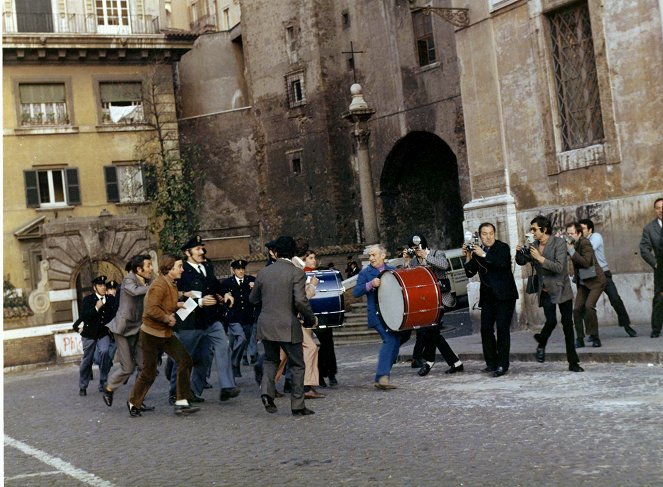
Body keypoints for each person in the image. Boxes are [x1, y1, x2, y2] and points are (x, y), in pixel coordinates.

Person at [249, 235, 317, 416]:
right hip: (288, 324)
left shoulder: (264, 272)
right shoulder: (296, 272)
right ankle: (297, 404)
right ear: (293, 252)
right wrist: (310, 319)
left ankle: (266, 393)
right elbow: (301, 301)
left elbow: (253, 299)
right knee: (297, 364)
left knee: (271, 360)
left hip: (266, 324)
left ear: (276, 252)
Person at [169, 235, 239, 404]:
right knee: (186, 358)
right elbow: (174, 296)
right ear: (188, 252)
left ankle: (226, 387)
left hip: (210, 319)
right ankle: (175, 392)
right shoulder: (181, 270)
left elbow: (215, 285)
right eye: (197, 249)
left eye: (202, 248)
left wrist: (225, 294)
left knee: (221, 347)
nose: (202, 251)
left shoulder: (207, 266)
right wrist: (199, 302)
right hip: (190, 322)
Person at [127, 254, 199, 416]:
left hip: (165, 333)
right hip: (151, 335)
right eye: (179, 267)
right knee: (149, 372)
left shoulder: (171, 283)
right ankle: (133, 402)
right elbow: (151, 309)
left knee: (185, 361)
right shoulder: (159, 285)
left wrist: (179, 304)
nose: (182, 269)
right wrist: (167, 317)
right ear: (170, 269)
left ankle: (181, 402)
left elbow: (167, 303)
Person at [516, 216, 583, 372]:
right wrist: (519, 253)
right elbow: (522, 261)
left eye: (534, 229)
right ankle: (541, 342)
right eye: (531, 229)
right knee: (551, 321)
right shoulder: (533, 244)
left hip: (561, 288)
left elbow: (559, 267)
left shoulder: (559, 243)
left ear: (544, 229)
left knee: (567, 326)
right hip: (545, 291)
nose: (531, 232)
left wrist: (540, 258)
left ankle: (573, 362)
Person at [463, 222, 518, 377]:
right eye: (485, 234)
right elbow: (469, 272)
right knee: (486, 329)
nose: (488, 237)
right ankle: (491, 363)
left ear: (495, 234)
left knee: (502, 329)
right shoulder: (477, 251)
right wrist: (468, 256)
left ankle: (502, 364)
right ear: (480, 235)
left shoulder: (503, 247)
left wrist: (484, 255)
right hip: (488, 297)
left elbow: (501, 264)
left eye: (491, 233)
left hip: (504, 296)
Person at [403, 234, 463, 377]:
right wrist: (407, 261)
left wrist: (426, 256)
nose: (415, 251)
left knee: (431, 329)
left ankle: (429, 361)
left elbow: (444, 265)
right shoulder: (414, 262)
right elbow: (409, 278)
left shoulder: (437, 253)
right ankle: (455, 363)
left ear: (423, 245)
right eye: (412, 249)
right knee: (432, 332)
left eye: (417, 248)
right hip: (426, 301)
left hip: (441, 299)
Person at [353, 244, 410, 389]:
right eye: (370, 256)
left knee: (395, 344)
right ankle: (382, 376)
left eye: (374, 255)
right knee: (390, 341)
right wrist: (370, 284)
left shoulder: (392, 271)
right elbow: (356, 292)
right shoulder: (365, 273)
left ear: (383, 256)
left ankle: (382, 375)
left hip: (393, 315)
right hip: (377, 315)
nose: (371, 258)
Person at [102, 255, 153, 411]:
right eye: (149, 265)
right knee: (128, 368)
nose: (152, 268)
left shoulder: (150, 279)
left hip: (138, 328)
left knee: (145, 367)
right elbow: (135, 292)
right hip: (123, 329)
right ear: (139, 269)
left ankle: (136, 400)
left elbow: (161, 288)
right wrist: (155, 287)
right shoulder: (128, 281)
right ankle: (108, 388)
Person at [578, 218, 636, 337]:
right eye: (579, 229)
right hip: (588, 275)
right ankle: (591, 333)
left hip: (603, 273)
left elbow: (587, 251)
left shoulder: (595, 237)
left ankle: (626, 325)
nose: (580, 231)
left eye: (583, 228)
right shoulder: (578, 241)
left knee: (615, 299)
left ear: (590, 229)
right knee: (586, 305)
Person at [565, 222, 606, 348]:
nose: (569, 236)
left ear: (579, 233)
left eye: (571, 234)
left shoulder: (585, 243)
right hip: (583, 282)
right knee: (577, 309)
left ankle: (594, 337)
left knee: (589, 306)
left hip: (596, 281)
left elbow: (587, 262)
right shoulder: (572, 244)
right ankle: (580, 338)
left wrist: (571, 251)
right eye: (568, 234)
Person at [75, 275, 116, 396]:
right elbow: (84, 316)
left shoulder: (110, 299)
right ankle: (83, 386)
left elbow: (113, 315)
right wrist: (96, 308)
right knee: (87, 361)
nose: (103, 287)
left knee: (104, 352)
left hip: (103, 334)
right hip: (89, 334)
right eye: (100, 285)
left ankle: (103, 382)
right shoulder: (88, 300)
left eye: (104, 285)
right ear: (94, 288)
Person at [304, 250, 339, 388]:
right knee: (311, 346)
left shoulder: (320, 273)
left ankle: (329, 372)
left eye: (314, 257)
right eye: (310, 258)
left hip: (322, 313)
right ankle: (319, 375)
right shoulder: (301, 274)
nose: (314, 260)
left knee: (327, 342)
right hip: (308, 313)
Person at [220, 259, 258, 373]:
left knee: (245, 340)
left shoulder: (251, 280)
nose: (241, 271)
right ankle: (234, 362)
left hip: (248, 317)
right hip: (234, 318)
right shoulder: (227, 283)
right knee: (239, 340)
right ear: (233, 270)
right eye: (238, 269)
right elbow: (223, 296)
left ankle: (238, 361)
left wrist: (255, 287)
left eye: (242, 269)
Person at [639, 197, 663, 338]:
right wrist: (655, 264)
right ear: (655, 210)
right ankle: (656, 329)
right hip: (661, 269)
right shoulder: (649, 228)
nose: (661, 210)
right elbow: (644, 249)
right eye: (658, 208)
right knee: (659, 299)